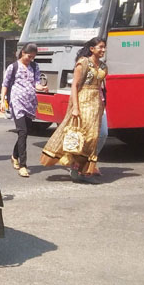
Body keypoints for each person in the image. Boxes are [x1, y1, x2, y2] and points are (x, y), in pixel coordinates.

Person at [40, 37, 108, 182]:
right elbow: (75, 86)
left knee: (96, 137)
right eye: (100, 47)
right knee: (85, 137)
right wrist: (75, 108)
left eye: (104, 47)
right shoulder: (83, 63)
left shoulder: (102, 66)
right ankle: (79, 169)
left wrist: (102, 105)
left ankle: (84, 169)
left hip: (97, 104)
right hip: (83, 103)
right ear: (92, 49)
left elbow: (101, 86)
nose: (103, 50)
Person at [0, 43, 47, 178]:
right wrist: (2, 100)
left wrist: (42, 87)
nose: (30, 59)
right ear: (22, 53)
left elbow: (36, 83)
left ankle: (14, 155)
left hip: (30, 102)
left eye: (33, 57)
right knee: (23, 131)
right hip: (17, 102)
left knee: (25, 132)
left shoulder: (34, 66)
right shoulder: (13, 67)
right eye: (29, 56)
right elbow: (5, 84)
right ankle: (23, 165)